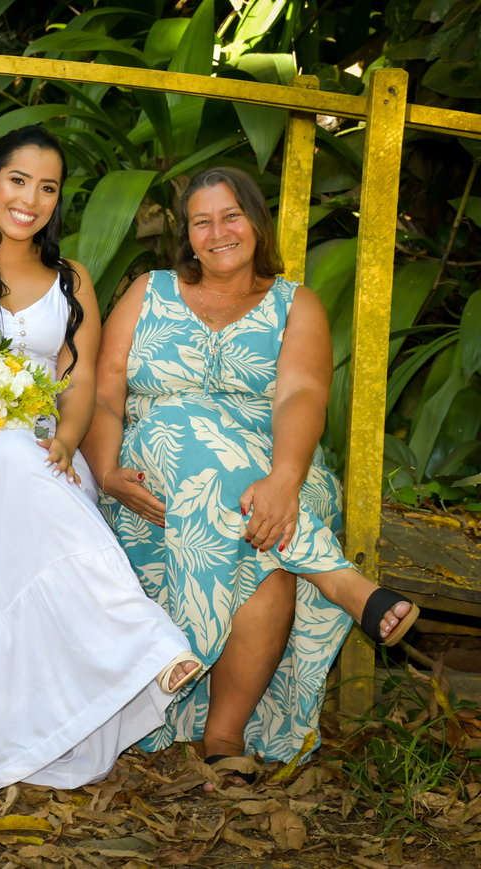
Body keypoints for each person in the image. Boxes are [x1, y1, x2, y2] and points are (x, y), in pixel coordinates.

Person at [0, 126, 202, 793]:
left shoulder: (72, 281)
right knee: (1, 453)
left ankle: (39, 725)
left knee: (23, 467)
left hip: (42, 452)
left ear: (57, 200)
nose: (30, 199)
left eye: (47, 188)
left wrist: (68, 440)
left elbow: (78, 384)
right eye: (18, 181)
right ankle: (139, 641)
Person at [81, 166, 419, 787]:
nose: (218, 233)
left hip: (275, 465)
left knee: (258, 530)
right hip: (158, 474)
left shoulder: (295, 304)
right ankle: (338, 581)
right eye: (201, 222)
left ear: (257, 222)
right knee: (188, 435)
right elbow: (105, 394)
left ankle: (224, 734)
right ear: (187, 235)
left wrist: (286, 479)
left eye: (231, 216)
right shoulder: (150, 291)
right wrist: (104, 471)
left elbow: (301, 395)